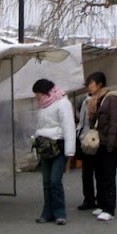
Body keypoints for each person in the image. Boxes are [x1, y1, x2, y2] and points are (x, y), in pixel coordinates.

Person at [32, 78, 76, 225]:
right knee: (46, 182)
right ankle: (47, 212)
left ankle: (60, 212)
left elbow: (69, 127)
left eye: (38, 94)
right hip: (45, 147)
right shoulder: (42, 106)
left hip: (58, 146)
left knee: (55, 180)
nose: (36, 97)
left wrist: (70, 152)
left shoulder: (63, 103)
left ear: (44, 92)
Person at [85, 71, 117, 222]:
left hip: (111, 142)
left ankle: (110, 208)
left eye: (91, 84)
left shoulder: (112, 99)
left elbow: (115, 123)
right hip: (99, 142)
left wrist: (111, 144)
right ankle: (102, 204)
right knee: (100, 174)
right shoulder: (95, 99)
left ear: (99, 84)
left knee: (108, 175)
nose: (89, 87)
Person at [75, 94, 98, 212]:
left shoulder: (102, 99)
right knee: (87, 171)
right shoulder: (84, 99)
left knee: (96, 171)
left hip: (95, 138)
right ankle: (89, 198)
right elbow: (81, 120)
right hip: (85, 138)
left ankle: (95, 198)